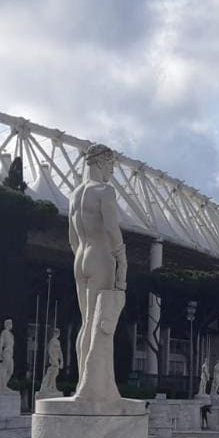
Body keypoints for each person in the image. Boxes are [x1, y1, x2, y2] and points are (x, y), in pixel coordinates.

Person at [69, 145, 128, 402]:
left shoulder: (75, 195)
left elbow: (72, 238)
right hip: (101, 255)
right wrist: (121, 258)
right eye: (112, 165)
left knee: (86, 322)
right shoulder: (104, 191)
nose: (112, 171)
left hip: (81, 257)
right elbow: (112, 228)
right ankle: (91, 389)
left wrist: (82, 256)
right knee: (99, 325)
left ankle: (84, 380)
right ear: (102, 162)